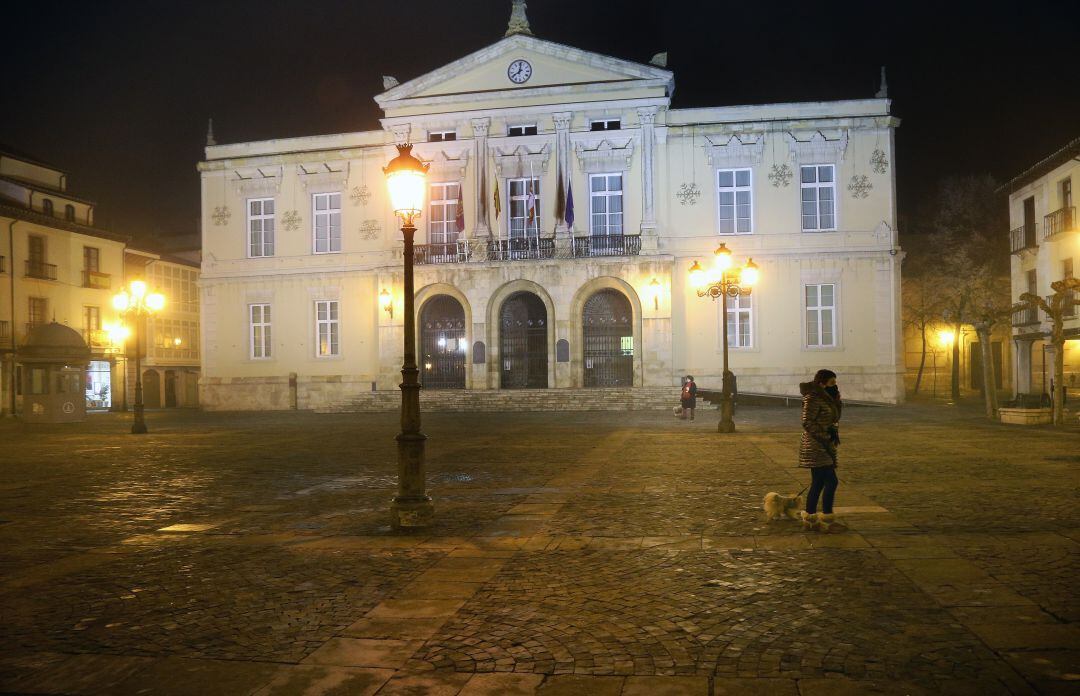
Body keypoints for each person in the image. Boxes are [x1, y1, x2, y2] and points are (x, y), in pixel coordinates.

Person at [798, 369, 846, 532]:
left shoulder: (826, 398)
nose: (835, 385)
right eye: (832, 383)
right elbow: (807, 422)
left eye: (835, 382)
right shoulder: (813, 398)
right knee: (831, 481)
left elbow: (835, 418)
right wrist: (825, 436)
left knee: (818, 482)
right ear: (821, 383)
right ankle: (827, 520)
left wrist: (837, 401)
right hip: (816, 445)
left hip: (824, 444)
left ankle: (811, 520)